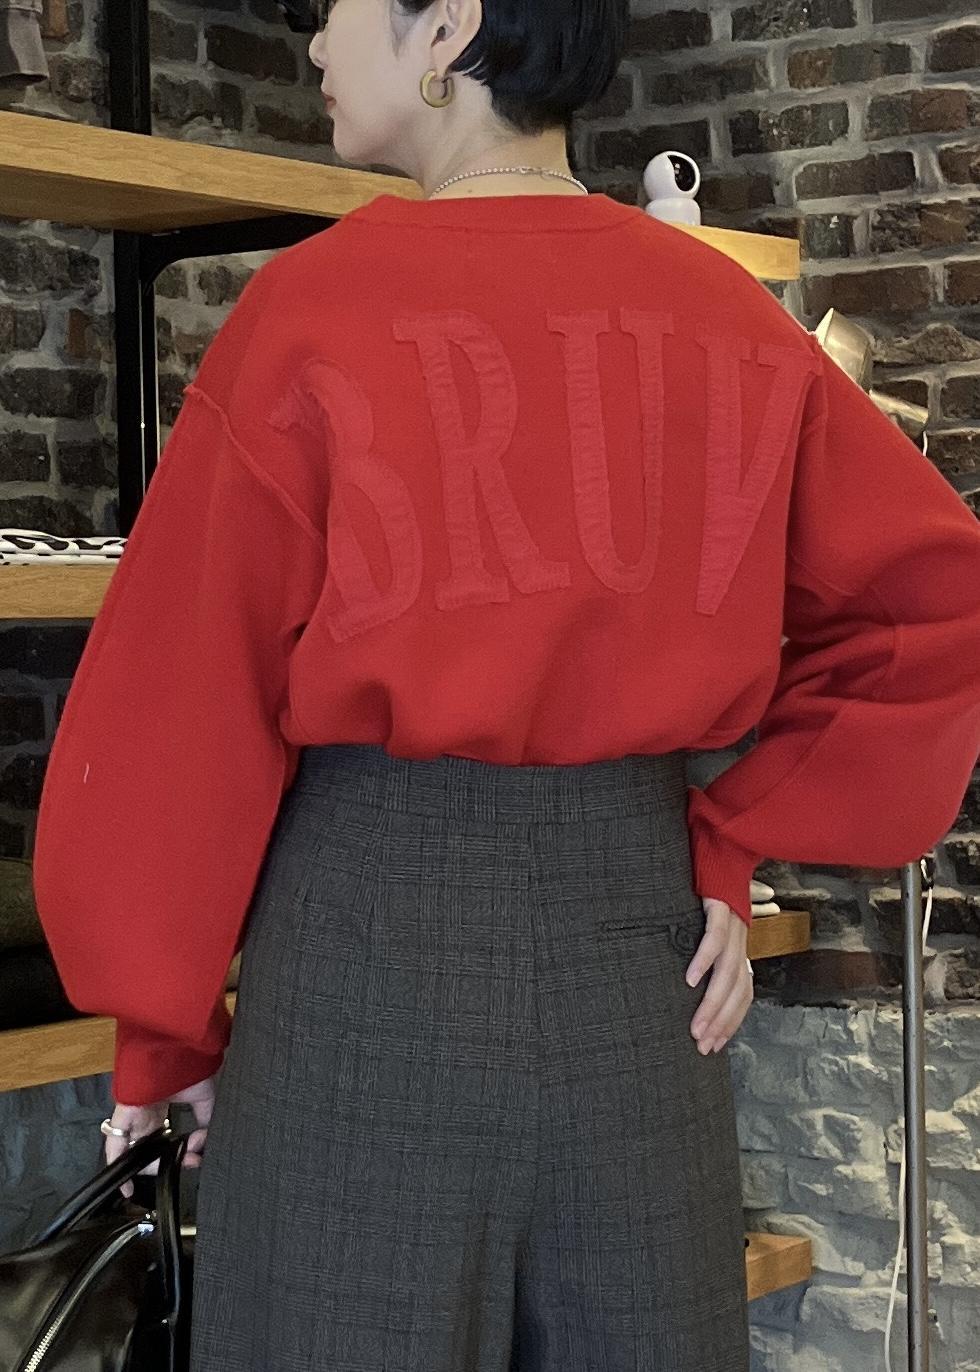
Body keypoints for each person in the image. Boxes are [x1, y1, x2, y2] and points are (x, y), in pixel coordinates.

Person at [30, 1, 980, 1369]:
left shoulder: (310, 312)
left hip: (361, 983)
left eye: (339, 6)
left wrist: (163, 1032)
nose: (316, 46)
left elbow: (185, 697)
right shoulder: (726, 315)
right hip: (636, 986)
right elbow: (933, 602)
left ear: (449, 27)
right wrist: (730, 834)